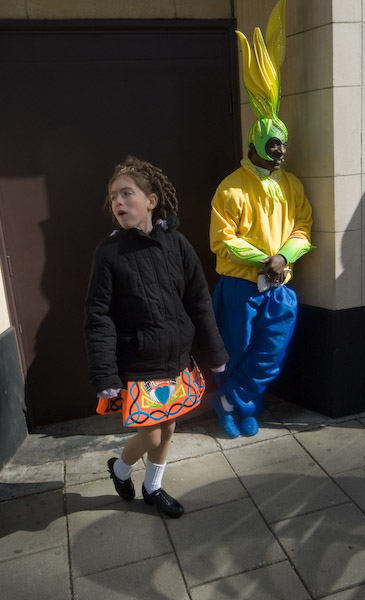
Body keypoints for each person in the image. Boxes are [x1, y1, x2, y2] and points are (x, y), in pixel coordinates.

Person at [84, 156, 228, 518]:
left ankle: (153, 487)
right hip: (139, 360)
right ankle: (120, 468)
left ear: (150, 200)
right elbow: (98, 316)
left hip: (176, 358)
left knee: (168, 429)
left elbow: (198, 301)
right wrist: (104, 374)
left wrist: (216, 353)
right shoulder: (109, 254)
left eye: (126, 193)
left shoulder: (176, 244)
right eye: (113, 196)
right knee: (149, 435)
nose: (118, 202)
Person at [209, 0, 313, 439]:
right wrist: (262, 259)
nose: (282, 152)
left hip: (280, 288)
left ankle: (233, 399)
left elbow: (303, 228)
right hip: (240, 288)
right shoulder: (230, 187)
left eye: (284, 144)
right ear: (256, 144)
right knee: (238, 350)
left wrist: (283, 257)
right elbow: (222, 239)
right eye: (275, 145)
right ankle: (238, 408)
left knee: (271, 352)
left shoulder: (291, 185)